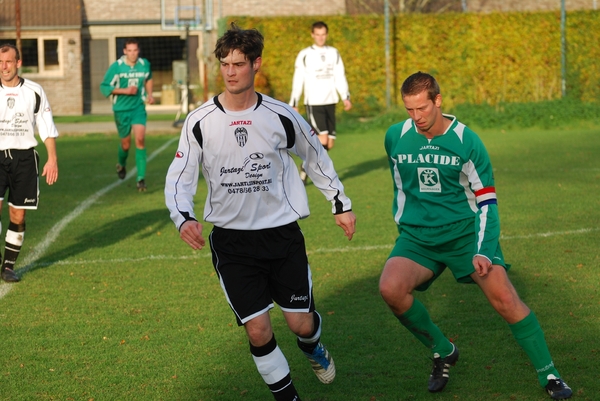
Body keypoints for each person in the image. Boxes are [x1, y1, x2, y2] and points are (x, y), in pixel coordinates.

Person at [165, 23, 356, 401]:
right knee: (258, 331)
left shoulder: (280, 115)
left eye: (238, 63)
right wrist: (183, 216)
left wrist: (340, 204)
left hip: (281, 236)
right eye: (225, 64)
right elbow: (180, 177)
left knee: (300, 325)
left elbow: (315, 156)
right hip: (232, 243)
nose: (230, 71)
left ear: (256, 64)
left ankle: (311, 346)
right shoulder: (200, 121)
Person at [379, 72, 572, 400]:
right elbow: (402, 188)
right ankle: (443, 350)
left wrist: (483, 249)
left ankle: (550, 374)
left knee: (506, 300)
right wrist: (409, 227)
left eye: (422, 108)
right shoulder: (395, 136)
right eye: (409, 110)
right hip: (418, 238)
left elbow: (487, 201)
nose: (416, 117)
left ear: (438, 101)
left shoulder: (467, 141)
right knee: (390, 289)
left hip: (466, 236)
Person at [0, 43, 59, 283]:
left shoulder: (34, 90)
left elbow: (46, 125)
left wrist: (52, 158)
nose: (3, 67)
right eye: (0, 63)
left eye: (8, 62)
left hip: (24, 158)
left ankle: (8, 267)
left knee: (17, 214)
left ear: (18, 63)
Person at [289, 21, 351, 183]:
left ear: (326, 35)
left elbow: (340, 75)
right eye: (317, 34)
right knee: (322, 140)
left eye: (323, 34)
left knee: (329, 143)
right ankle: (321, 174)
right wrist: (294, 101)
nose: (320, 37)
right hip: (314, 103)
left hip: (331, 101)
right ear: (312, 35)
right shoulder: (304, 54)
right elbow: (298, 79)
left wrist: (345, 96)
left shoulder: (334, 53)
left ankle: (305, 167)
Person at [100, 38, 154, 192]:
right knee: (125, 144)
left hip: (138, 108)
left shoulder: (144, 65)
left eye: (135, 50)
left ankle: (140, 179)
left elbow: (149, 78)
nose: (132, 53)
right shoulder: (117, 67)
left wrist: (149, 95)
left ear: (139, 50)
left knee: (140, 139)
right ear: (124, 51)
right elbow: (104, 86)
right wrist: (125, 91)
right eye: (129, 50)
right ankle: (121, 164)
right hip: (121, 109)